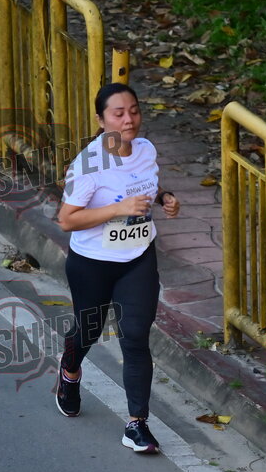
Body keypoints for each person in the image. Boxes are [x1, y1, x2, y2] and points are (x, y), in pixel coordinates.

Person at [56, 82, 180, 453]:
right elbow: (66, 219)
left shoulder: (145, 149)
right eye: (119, 114)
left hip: (138, 257)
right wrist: (118, 209)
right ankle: (69, 372)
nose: (129, 120)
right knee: (88, 332)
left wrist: (164, 197)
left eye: (134, 111)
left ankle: (136, 424)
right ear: (101, 120)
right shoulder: (89, 164)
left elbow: (145, 183)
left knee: (135, 335)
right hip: (92, 264)